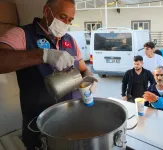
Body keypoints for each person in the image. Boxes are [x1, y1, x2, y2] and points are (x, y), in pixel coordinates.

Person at [0, 0, 97, 149]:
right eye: (62, 16)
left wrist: (90, 78)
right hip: (40, 126)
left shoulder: (70, 40)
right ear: (46, 11)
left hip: (73, 123)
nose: (66, 23)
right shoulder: (22, 35)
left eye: (70, 20)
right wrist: (43, 55)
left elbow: (83, 69)